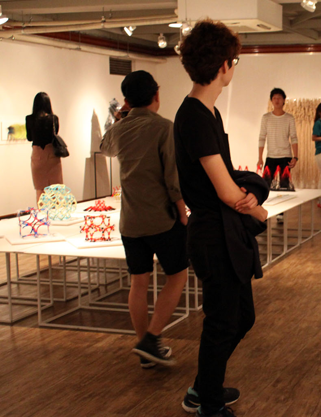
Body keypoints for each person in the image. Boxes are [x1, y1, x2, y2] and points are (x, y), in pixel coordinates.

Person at [173, 20, 269, 417]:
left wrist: (251, 192)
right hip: (213, 234)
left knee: (241, 317)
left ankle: (204, 387)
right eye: (235, 61)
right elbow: (226, 190)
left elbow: (227, 178)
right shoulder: (195, 115)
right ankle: (208, 404)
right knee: (222, 323)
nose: (234, 67)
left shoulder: (208, 112)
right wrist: (257, 207)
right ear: (224, 65)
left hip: (222, 230)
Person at [100, 70, 189, 369]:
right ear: (156, 94)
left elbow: (104, 147)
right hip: (161, 218)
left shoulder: (120, 129)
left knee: (138, 282)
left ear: (127, 100)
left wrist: (121, 117)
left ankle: (146, 348)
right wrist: (182, 211)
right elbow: (172, 176)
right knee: (178, 275)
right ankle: (151, 339)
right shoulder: (164, 127)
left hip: (130, 221)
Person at [26, 92, 63, 202]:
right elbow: (55, 134)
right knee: (55, 189)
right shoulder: (53, 118)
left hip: (37, 156)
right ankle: (55, 210)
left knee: (40, 189)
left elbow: (29, 138)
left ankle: (42, 211)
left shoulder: (29, 119)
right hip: (52, 155)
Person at [257, 88, 299, 177]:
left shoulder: (289, 118)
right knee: (266, 183)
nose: (277, 100)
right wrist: (260, 158)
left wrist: (295, 157)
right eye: (274, 98)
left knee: (284, 183)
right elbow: (262, 138)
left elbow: (294, 137)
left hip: (285, 156)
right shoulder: (266, 117)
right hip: (271, 156)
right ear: (271, 100)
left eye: (279, 98)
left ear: (284, 100)